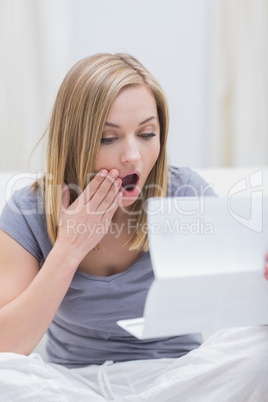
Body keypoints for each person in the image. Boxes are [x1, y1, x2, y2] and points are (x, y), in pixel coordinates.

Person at [0, 53, 267, 401]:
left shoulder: (185, 194)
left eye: (146, 133)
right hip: (72, 385)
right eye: (108, 138)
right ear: (74, 141)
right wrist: (68, 249)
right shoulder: (28, 209)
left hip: (177, 379)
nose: (133, 156)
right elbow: (7, 346)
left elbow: (240, 308)